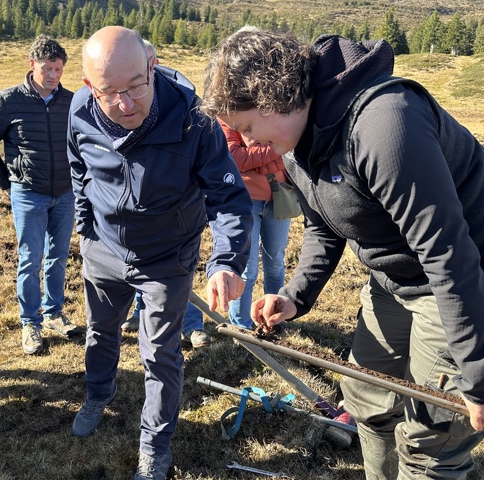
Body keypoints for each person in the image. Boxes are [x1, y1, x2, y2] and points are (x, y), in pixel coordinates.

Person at [202, 29, 484, 480]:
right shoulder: (293, 142)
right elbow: (323, 225)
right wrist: (295, 295)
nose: (247, 146)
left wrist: (481, 381)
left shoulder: (384, 125)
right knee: (369, 402)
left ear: (276, 99)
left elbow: (447, 254)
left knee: (431, 440)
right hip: (397, 277)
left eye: (247, 128)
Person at [68, 27, 252, 480]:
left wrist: (227, 260)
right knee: (100, 332)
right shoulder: (78, 110)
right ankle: (98, 393)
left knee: (160, 355)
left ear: (152, 66)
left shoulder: (196, 121)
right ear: (91, 87)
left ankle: (155, 447)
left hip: (166, 259)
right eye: (111, 93)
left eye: (135, 86)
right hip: (103, 251)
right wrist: (85, 226)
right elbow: (78, 168)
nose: (126, 104)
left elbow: (229, 198)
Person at [0, 35, 80, 355]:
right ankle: (30, 322)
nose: (53, 75)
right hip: (28, 194)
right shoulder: (7, 101)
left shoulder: (72, 101)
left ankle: (54, 314)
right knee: (31, 260)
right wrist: (7, 182)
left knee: (58, 257)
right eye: (47, 68)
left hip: (64, 194)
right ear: (32, 65)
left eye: (58, 69)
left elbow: (82, 144)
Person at [120, 39, 208, 349]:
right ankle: (139, 312)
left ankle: (193, 324)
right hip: (138, 214)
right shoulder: (123, 104)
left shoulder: (183, 103)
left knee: (179, 273)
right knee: (139, 267)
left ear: (153, 63)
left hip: (179, 214)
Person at [218, 121, 293, 329]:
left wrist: (255, 158)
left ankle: (275, 319)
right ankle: (241, 327)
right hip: (244, 202)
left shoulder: (270, 112)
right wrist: (274, 150)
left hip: (279, 199)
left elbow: (289, 151)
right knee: (246, 270)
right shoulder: (228, 117)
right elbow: (235, 157)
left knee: (276, 262)